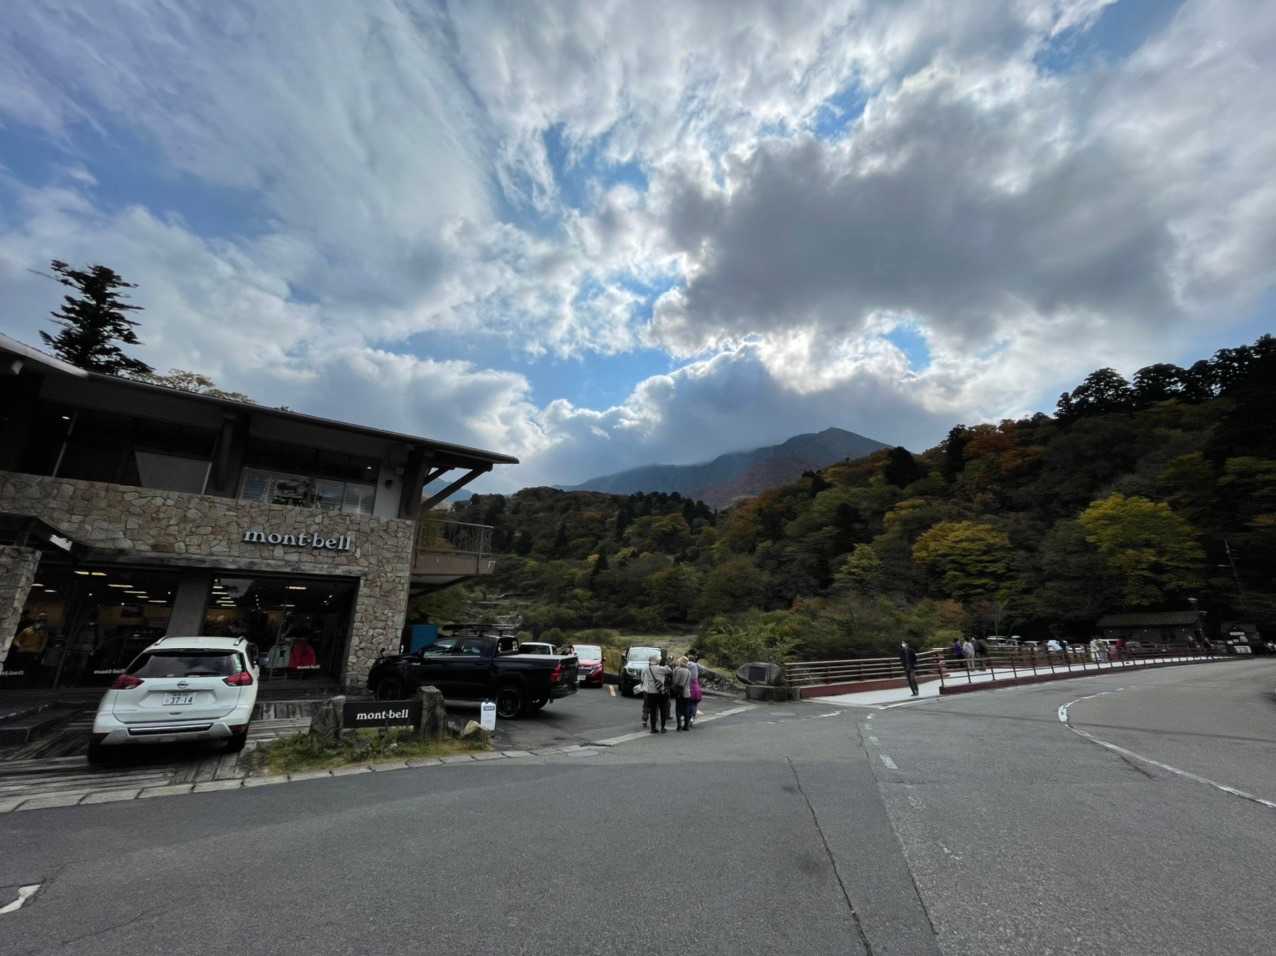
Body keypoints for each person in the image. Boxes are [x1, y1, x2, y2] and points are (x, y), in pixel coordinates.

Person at [639, 653, 670, 734]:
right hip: (661, 692)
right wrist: (667, 664)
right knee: (662, 710)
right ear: (657, 661)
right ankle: (663, 727)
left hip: (651, 692)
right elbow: (669, 670)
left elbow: (642, 678)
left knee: (653, 711)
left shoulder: (647, 669)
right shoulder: (661, 669)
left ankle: (653, 728)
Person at [671, 656, 692, 730]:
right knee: (686, 709)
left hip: (680, 692)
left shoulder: (679, 670)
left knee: (678, 709)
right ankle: (686, 725)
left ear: (681, 662)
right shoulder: (689, 671)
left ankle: (679, 725)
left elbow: (676, 682)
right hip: (687, 692)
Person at [686, 654, 704, 726]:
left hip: (687, 686)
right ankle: (692, 718)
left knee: (687, 704)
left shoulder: (684, 664)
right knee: (694, 704)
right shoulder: (696, 665)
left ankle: (687, 718)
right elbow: (702, 670)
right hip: (695, 687)